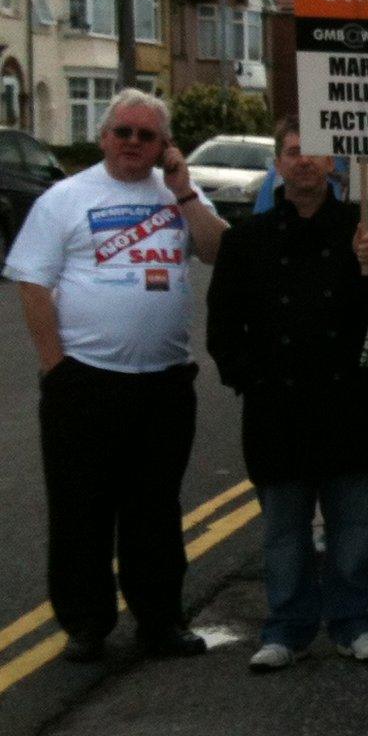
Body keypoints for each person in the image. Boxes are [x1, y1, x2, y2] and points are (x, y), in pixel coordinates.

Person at [5, 89, 227, 661]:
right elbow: (32, 283)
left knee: (154, 509)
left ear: (164, 146)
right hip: (85, 381)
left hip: (163, 383)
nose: (133, 143)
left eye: (146, 136)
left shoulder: (177, 195)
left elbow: (217, 251)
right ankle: (86, 625)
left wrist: (182, 189)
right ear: (104, 137)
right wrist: (57, 369)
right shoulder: (64, 198)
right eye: (123, 132)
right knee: (81, 509)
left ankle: (159, 621)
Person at [206, 120, 368, 672]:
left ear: (334, 163)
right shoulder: (246, 240)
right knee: (284, 533)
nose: (304, 161)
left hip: (349, 405)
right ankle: (285, 628)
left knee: (354, 528)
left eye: (314, 151)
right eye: (292, 152)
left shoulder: (365, 231)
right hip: (278, 409)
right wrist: (249, 378)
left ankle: (355, 621)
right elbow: (223, 328)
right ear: (279, 165)